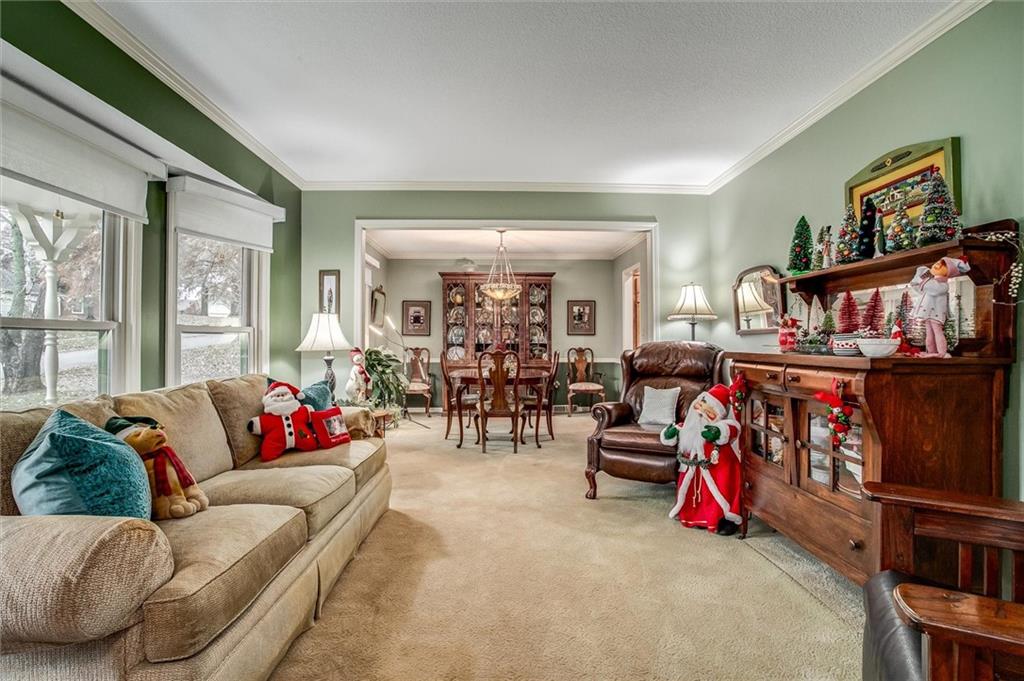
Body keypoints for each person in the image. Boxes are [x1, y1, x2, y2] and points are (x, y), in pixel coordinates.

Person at [660, 381, 743, 535]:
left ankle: (724, 518)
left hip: (716, 468)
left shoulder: (720, 426)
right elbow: (678, 430)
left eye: (707, 411)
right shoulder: (688, 427)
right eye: (698, 408)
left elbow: (732, 428)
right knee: (692, 493)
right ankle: (695, 516)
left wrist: (719, 431)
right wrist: (668, 434)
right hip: (692, 468)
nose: (700, 414)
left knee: (717, 492)